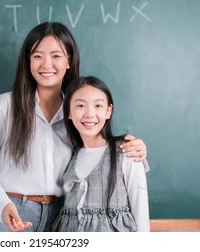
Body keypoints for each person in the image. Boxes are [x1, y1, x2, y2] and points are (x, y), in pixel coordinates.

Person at [0, 22, 147, 232]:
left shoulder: (78, 114)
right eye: (38, 56)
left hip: (60, 219)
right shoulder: (4, 107)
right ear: (28, 61)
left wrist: (135, 148)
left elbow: (96, 151)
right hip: (9, 215)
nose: (46, 64)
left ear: (69, 61)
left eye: (56, 56)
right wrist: (3, 206)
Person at [52, 76, 150, 232]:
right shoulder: (68, 155)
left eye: (98, 105)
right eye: (80, 106)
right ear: (69, 112)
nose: (89, 114)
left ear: (108, 111)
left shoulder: (127, 151)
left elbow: (141, 215)